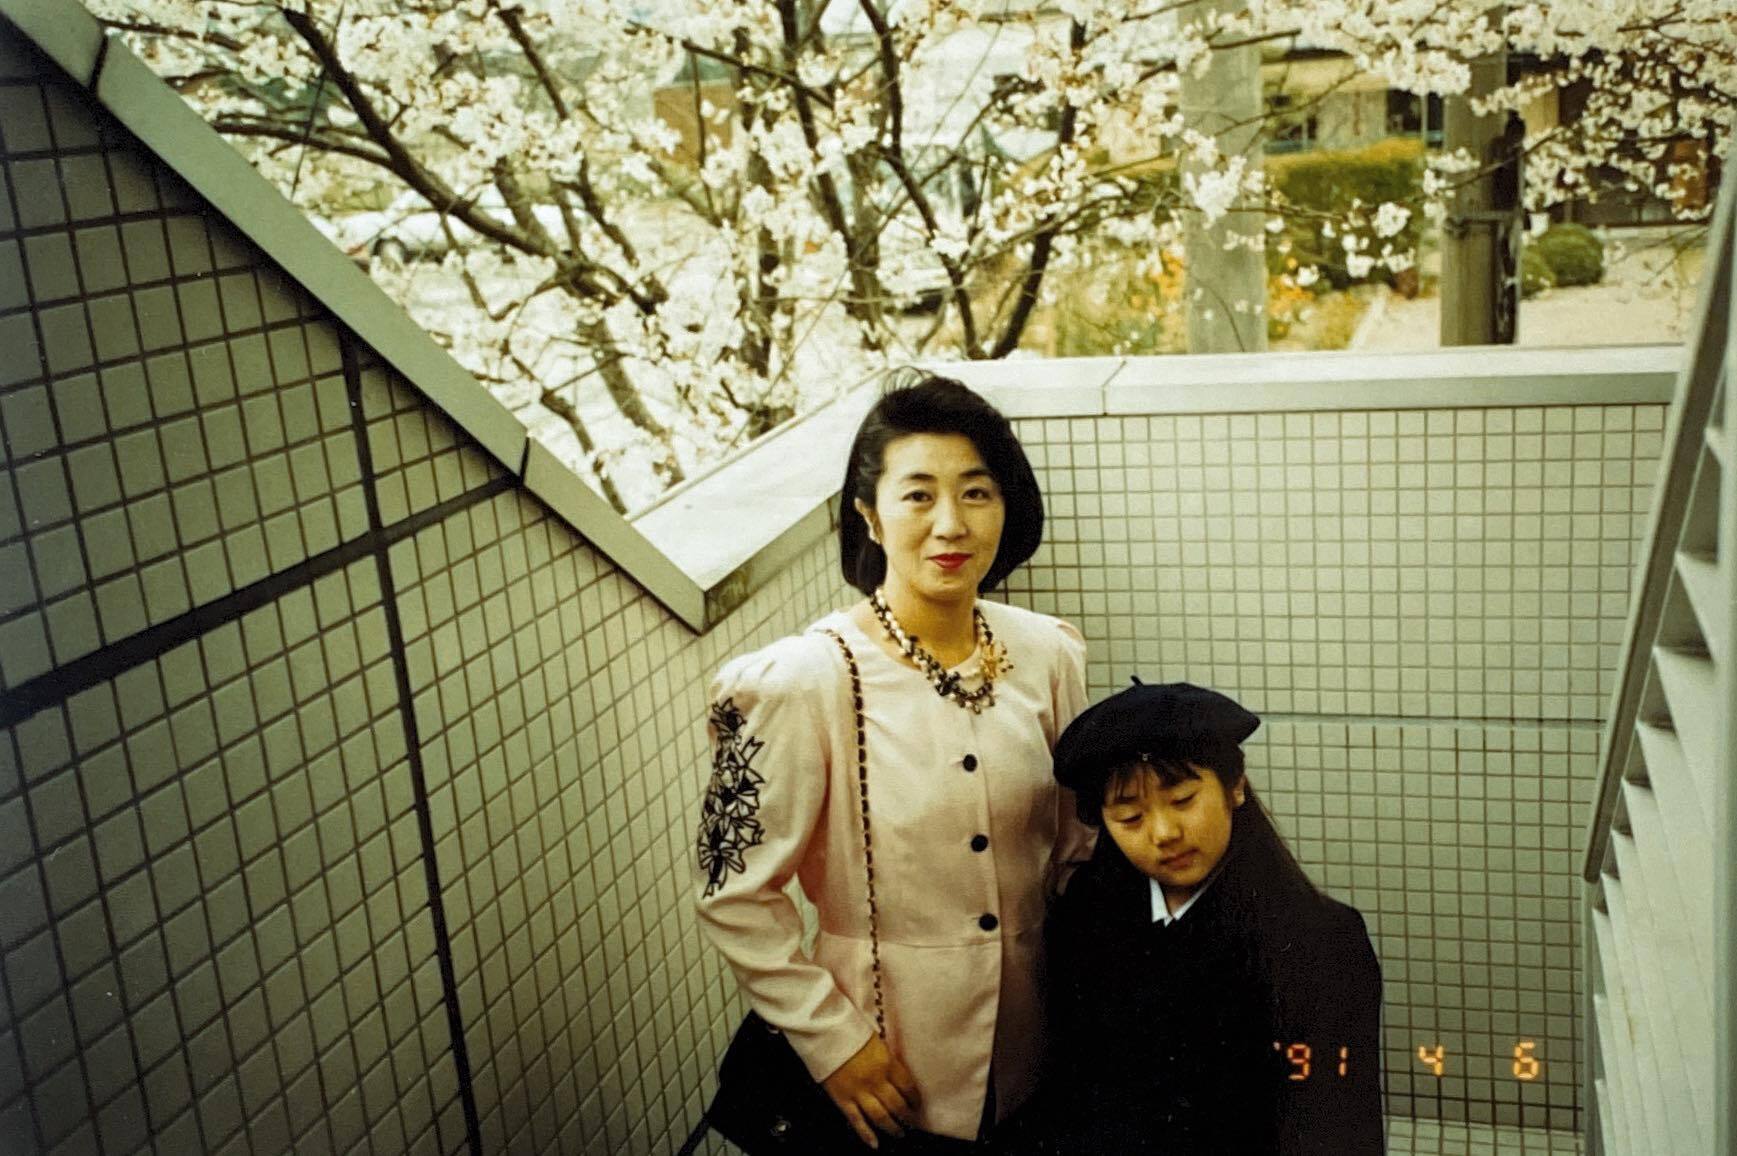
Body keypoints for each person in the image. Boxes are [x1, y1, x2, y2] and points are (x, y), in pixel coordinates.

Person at [695, 374, 1093, 1151]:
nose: (950, 523)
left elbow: (1078, 848)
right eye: (917, 495)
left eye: (976, 493)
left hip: (1035, 1055)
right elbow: (733, 893)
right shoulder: (800, 681)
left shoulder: (1047, 652)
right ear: (869, 515)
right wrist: (832, 1043)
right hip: (880, 1073)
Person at [1024, 681, 1384, 1155]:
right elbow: (1070, 1085)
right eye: (1130, 818)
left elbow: (1335, 1120)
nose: (1164, 833)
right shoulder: (1084, 914)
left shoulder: (1322, 940)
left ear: (1235, 786)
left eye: (1183, 800)